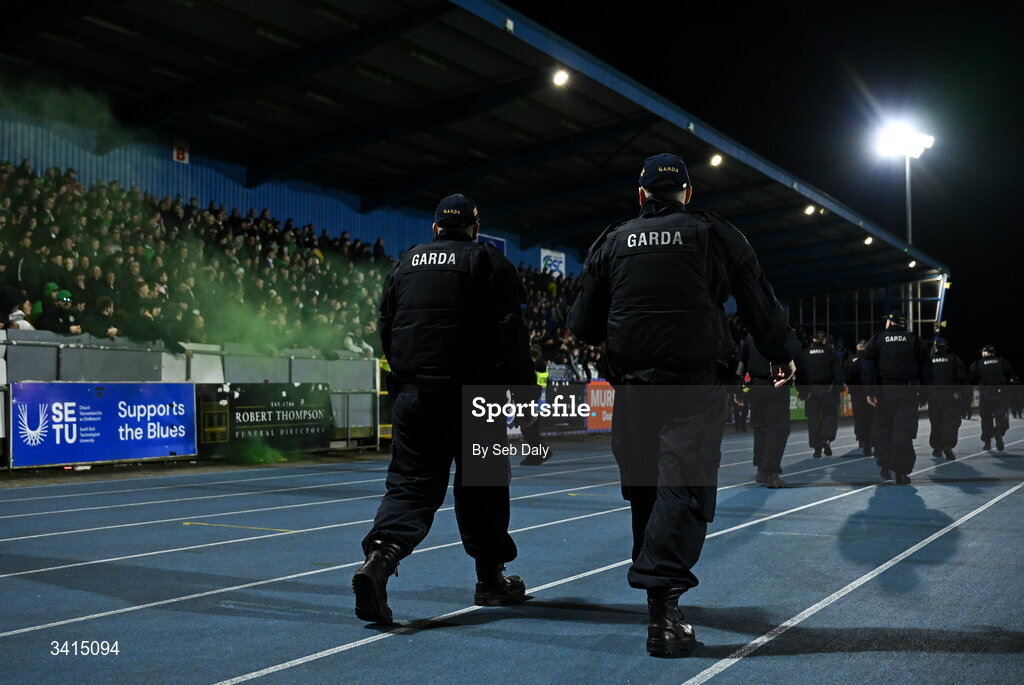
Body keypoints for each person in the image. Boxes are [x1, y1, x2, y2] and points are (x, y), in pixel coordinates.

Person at [568, 153, 797, 657]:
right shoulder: (716, 233)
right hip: (693, 386)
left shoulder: (613, 239)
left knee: (647, 491)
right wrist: (780, 353)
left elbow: (581, 323)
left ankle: (658, 599)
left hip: (633, 387)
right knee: (683, 487)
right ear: (688, 194)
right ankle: (664, 613)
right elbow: (758, 299)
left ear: (641, 195)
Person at [352, 194, 537, 625]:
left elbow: (386, 328)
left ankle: (379, 560)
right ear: (475, 228)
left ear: (436, 229)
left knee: (411, 487)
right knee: (484, 489)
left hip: (416, 396)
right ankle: (490, 580)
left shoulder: (405, 264)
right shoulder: (489, 261)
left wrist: (406, 381)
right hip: (476, 395)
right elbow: (511, 335)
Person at [862, 311, 930, 484]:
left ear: (890, 323)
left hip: (885, 393)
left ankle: (885, 466)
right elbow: (926, 367)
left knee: (883, 429)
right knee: (903, 432)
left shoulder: (877, 339)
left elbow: (869, 366)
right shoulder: (915, 339)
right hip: (908, 392)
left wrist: (870, 391)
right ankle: (901, 471)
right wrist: (925, 392)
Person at [737, 332, 792, 488]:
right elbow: (795, 360)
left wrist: (737, 389)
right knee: (779, 429)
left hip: (756, 387)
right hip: (777, 387)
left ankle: (761, 469)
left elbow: (741, 363)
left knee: (760, 428)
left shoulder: (749, 338)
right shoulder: (783, 336)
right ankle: (771, 472)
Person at [796, 331, 844, 458]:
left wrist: (800, 390)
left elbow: (800, 372)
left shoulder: (805, 353)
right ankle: (826, 438)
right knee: (831, 414)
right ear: (825, 340)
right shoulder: (830, 352)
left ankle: (817, 448)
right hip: (826, 389)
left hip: (810, 390)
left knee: (813, 418)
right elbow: (837, 370)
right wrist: (839, 385)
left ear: (813, 340)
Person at [926, 337, 968, 460]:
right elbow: (962, 378)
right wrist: (965, 395)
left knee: (936, 422)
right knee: (951, 421)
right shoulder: (954, 359)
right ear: (946, 347)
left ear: (935, 347)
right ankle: (947, 444)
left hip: (934, 396)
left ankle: (936, 446)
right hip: (951, 396)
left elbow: (925, 378)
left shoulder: (930, 360)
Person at [969, 344, 1017, 451]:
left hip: (985, 394)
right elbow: (1012, 376)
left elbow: (972, 377)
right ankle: (998, 432)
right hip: (1000, 394)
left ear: (985, 352)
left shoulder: (978, 363)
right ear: (994, 353)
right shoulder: (1002, 361)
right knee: (1001, 416)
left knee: (986, 418)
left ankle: (987, 442)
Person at [519, 344, 553, 466]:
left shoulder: (533, 367)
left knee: (528, 430)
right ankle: (534, 455)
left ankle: (543, 451)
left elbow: (535, 387)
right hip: (540, 402)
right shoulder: (542, 366)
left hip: (533, 401)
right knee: (532, 430)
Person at [843, 340, 875, 455]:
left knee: (859, 417)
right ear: (865, 347)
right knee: (871, 417)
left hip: (855, 393)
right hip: (867, 391)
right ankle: (871, 441)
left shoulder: (850, 360)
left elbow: (845, 377)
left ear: (857, 347)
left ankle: (861, 439)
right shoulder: (868, 358)